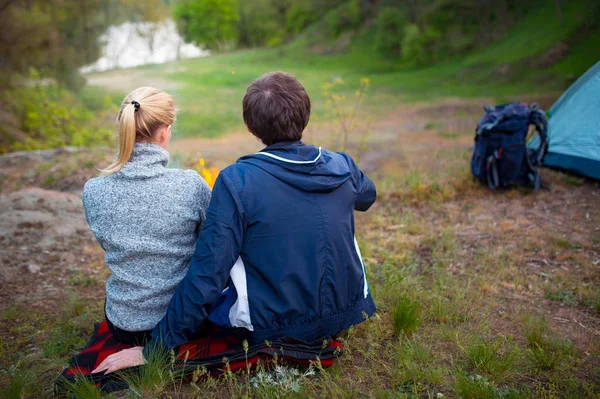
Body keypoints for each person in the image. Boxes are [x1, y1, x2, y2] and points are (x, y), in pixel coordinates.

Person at [93, 72, 376, 374]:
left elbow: (209, 271)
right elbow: (366, 196)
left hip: (273, 325)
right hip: (346, 313)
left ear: (250, 127)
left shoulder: (237, 181)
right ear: (306, 116)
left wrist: (157, 347)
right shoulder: (342, 165)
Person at [83, 87, 211, 346]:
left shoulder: (93, 190)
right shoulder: (191, 185)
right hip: (182, 323)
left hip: (123, 325)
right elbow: (213, 244)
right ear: (165, 131)